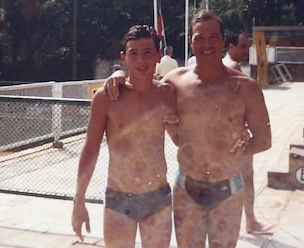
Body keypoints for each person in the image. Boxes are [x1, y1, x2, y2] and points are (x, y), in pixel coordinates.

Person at [104, 11, 271, 248]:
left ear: (223, 40)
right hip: (187, 189)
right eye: (199, 38)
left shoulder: (245, 87)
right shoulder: (174, 82)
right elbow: (142, 88)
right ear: (191, 41)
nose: (206, 44)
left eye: (213, 37)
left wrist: (235, 150)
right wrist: (118, 74)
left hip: (228, 189)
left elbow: (265, 139)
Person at [71, 24, 179, 247]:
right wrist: (79, 200)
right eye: (134, 54)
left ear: (159, 56)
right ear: (124, 57)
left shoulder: (167, 94)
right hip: (118, 197)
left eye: (148, 53)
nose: (141, 60)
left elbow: (183, 138)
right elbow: (90, 149)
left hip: (157, 196)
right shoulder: (107, 97)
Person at [223, 30, 274, 234]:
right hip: (235, 136)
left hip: (228, 134)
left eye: (248, 46)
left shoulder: (224, 66)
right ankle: (250, 221)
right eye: (243, 46)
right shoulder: (233, 68)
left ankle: (245, 221)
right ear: (231, 46)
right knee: (246, 179)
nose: (247, 50)